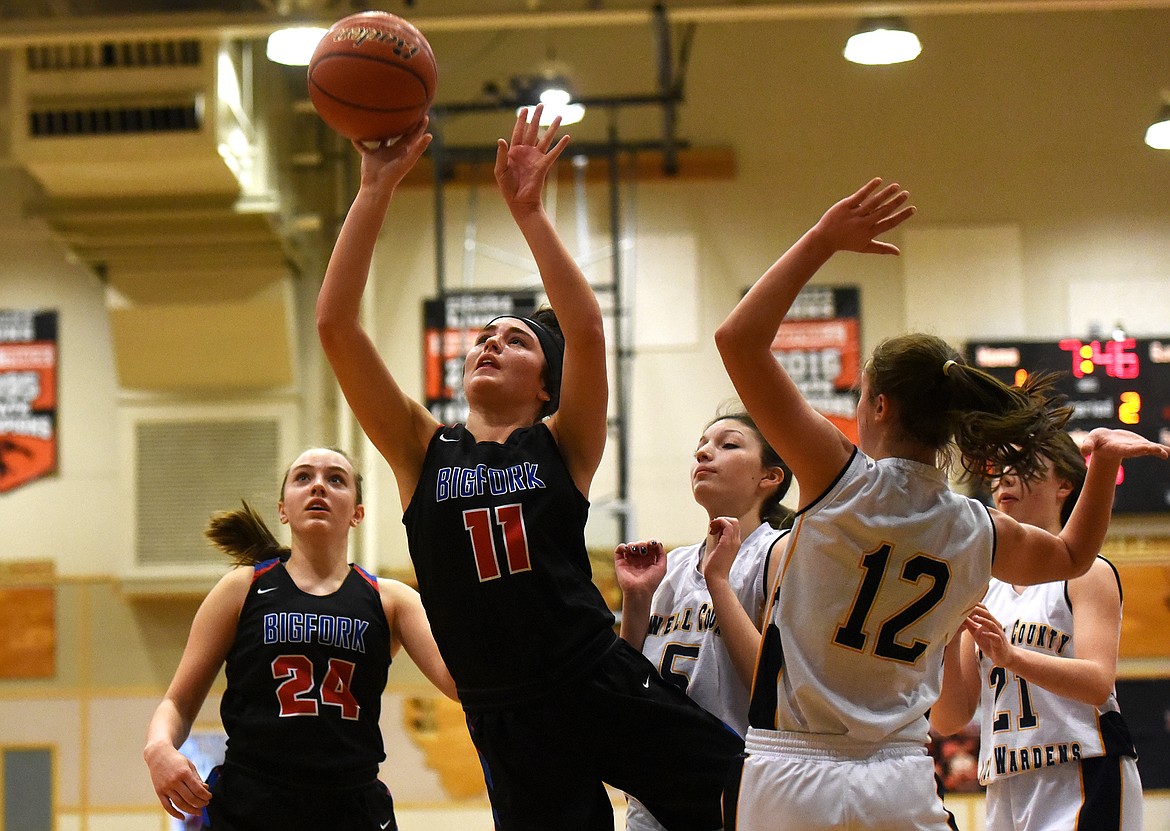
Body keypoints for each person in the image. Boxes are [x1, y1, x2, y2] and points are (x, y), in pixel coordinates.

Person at [315, 105, 743, 831]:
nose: (490, 343)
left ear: (547, 383)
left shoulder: (562, 440)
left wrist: (530, 212)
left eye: (514, 340)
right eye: (483, 337)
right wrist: (374, 189)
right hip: (503, 708)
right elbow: (336, 326)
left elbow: (585, 327)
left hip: (590, 675)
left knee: (744, 794)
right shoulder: (423, 448)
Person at [711, 177, 1170, 831]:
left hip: (795, 768)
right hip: (900, 774)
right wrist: (1105, 468)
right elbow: (1075, 552)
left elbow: (738, 339)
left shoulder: (839, 474)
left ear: (877, 404)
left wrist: (821, 240)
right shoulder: (975, 527)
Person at [143, 447, 456, 831]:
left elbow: (459, 682)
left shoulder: (390, 600)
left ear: (357, 513)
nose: (319, 486)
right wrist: (159, 746)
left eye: (336, 479)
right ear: (283, 509)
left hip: (350, 807)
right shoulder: (243, 588)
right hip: (251, 805)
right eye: (304, 477)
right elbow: (179, 700)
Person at [931, 431, 1143, 830]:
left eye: (1022, 465)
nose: (1005, 478)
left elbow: (1099, 682)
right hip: (1006, 783)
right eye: (999, 468)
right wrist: (945, 639)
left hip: (1082, 771)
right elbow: (949, 718)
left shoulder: (1088, 573)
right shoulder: (981, 586)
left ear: (1064, 483)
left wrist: (1012, 656)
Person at [614, 410, 793, 831]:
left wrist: (718, 582)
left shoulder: (778, 552)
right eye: (701, 445)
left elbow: (772, 689)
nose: (704, 452)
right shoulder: (671, 567)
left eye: (728, 444)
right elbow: (630, 684)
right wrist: (637, 601)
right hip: (658, 784)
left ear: (770, 477)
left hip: (738, 784)